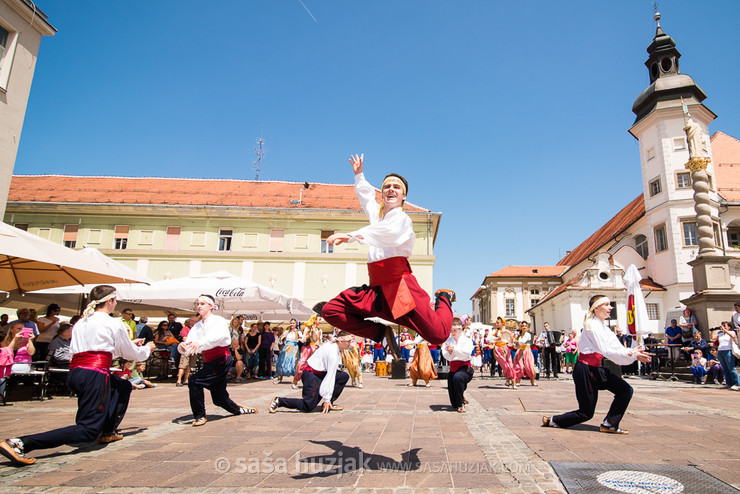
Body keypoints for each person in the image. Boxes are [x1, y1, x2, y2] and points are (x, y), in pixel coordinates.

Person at [0, 285, 155, 466]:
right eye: (115, 301)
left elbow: (96, 349)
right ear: (111, 301)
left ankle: (107, 431)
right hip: (93, 374)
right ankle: (21, 442)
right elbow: (130, 354)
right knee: (88, 430)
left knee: (122, 386)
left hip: (76, 372)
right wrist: (146, 349)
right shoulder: (113, 322)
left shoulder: (81, 322)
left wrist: (127, 344)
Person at [321, 154, 455, 359]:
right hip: (377, 291)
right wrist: (359, 175)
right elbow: (367, 198)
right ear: (382, 194)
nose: (391, 189)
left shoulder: (402, 219)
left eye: (396, 187)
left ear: (403, 197)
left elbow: (385, 234)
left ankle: (444, 297)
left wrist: (349, 236)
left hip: (400, 288)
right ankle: (380, 333)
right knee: (331, 311)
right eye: (386, 186)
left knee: (438, 335)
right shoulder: (378, 215)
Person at [543, 295, 652, 435]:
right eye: (606, 304)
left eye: (609, 304)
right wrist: (632, 355)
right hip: (585, 370)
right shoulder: (591, 326)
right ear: (596, 308)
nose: (610, 307)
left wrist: (631, 352)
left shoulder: (604, 328)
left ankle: (610, 424)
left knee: (625, 390)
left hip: (596, 369)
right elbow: (606, 350)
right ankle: (554, 420)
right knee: (586, 413)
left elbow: (615, 348)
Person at [179, 295, 257, 427]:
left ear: (211, 306)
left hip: (221, 359)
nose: (199, 306)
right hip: (210, 361)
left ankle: (199, 415)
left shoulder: (218, 321)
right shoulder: (197, 326)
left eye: (202, 303)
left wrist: (200, 342)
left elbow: (222, 337)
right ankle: (239, 409)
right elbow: (190, 345)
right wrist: (183, 347)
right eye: (198, 303)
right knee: (219, 399)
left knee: (194, 381)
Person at [269, 332, 352, 414]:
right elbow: (330, 376)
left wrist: (328, 399)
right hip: (311, 374)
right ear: (341, 341)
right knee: (308, 405)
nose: (350, 344)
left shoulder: (334, 347)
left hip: (321, 373)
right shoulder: (332, 352)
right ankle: (279, 401)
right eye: (348, 341)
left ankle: (328, 403)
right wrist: (326, 398)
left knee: (343, 376)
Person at [442, 318, 473, 413]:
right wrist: (450, 352)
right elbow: (445, 355)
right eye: (451, 330)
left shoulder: (467, 341)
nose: (452, 332)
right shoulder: (448, 341)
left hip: (465, 369)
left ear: (460, 329)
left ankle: (461, 404)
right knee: (453, 403)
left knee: (458, 378)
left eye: (454, 330)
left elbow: (466, 354)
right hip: (453, 369)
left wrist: (454, 350)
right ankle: (459, 397)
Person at [292, 315, 321, 389]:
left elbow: (319, 341)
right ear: (314, 320)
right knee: (301, 364)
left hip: (315, 349)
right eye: (319, 320)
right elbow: (303, 340)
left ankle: (310, 383)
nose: (320, 321)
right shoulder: (308, 329)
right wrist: (308, 335)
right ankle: (295, 381)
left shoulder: (319, 330)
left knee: (313, 367)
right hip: (307, 348)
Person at [712, 322, 740, 391]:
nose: (723, 327)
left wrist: (725, 330)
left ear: (729, 327)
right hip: (721, 351)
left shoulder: (732, 332)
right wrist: (712, 331)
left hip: (728, 350)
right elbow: (712, 338)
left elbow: (733, 337)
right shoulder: (720, 334)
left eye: (725, 325)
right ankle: (729, 383)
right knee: (725, 368)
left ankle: (737, 383)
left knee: (731, 368)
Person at [490, 317, 516, 387]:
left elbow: (510, 342)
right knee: (505, 365)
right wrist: (497, 338)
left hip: (505, 348)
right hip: (497, 349)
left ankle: (509, 378)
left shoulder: (507, 331)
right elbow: (489, 340)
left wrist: (512, 341)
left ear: (502, 323)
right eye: (496, 322)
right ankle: (512, 380)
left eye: (498, 322)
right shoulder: (494, 332)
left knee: (510, 364)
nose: (497, 324)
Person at [275, 319, 300, 383]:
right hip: (286, 347)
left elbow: (301, 339)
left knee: (293, 362)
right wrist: (281, 339)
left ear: (296, 324)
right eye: (291, 323)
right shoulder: (287, 332)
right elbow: (280, 339)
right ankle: (279, 378)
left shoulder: (298, 332)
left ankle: (296, 379)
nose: (292, 324)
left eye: (293, 323)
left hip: (294, 348)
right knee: (282, 361)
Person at [176, 316, 198, 387]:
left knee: (190, 365)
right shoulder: (185, 329)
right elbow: (185, 338)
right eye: (195, 321)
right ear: (191, 321)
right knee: (183, 365)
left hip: (193, 349)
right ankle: (179, 380)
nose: (196, 323)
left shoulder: (197, 329)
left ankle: (186, 380)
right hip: (186, 349)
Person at [513, 321, 537, 387]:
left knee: (529, 366)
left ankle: (533, 381)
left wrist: (517, 341)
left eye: (525, 326)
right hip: (520, 351)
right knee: (519, 366)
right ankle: (518, 381)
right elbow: (517, 345)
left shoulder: (528, 334)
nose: (524, 327)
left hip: (527, 351)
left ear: (527, 327)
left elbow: (523, 342)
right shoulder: (519, 335)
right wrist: (514, 344)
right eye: (523, 326)